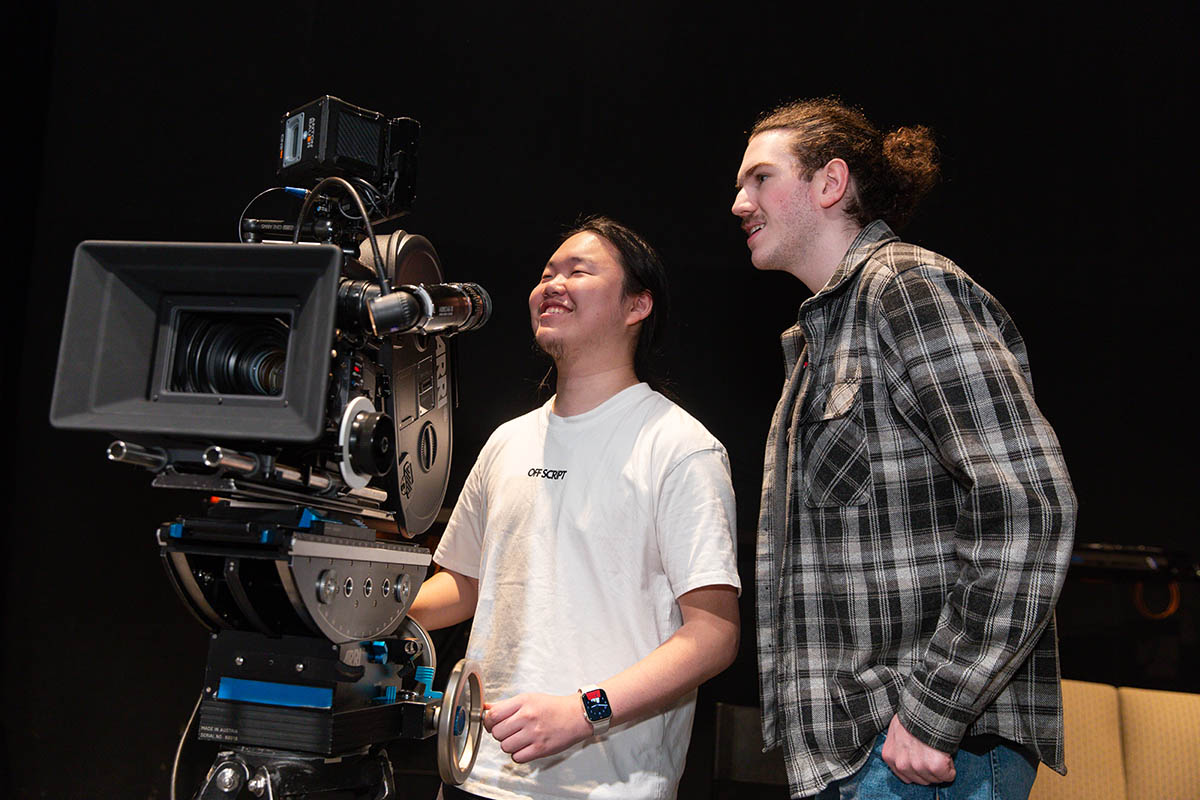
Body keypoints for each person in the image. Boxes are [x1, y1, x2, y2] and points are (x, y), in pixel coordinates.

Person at [731, 98, 1077, 799]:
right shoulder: (816, 344)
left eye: (759, 179)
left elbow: (1028, 503)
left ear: (830, 183)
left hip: (925, 757)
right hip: (861, 760)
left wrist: (933, 711)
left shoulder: (907, 287)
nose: (739, 203)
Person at [408, 215, 742, 800]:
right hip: (473, 772)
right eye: (545, 273)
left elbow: (713, 634)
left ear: (637, 306)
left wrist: (584, 711)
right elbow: (461, 586)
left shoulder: (681, 447)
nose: (551, 284)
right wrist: (362, 615)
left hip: (604, 787)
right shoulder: (507, 441)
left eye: (578, 271)